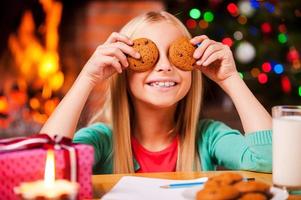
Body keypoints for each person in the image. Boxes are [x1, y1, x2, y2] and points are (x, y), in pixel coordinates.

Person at [40, 11, 272, 174]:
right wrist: (87, 78)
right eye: (148, 56)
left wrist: (231, 80)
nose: (164, 66)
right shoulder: (102, 141)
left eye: (174, 54)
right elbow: (44, 167)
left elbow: (275, 161)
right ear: (123, 67)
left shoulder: (208, 137)